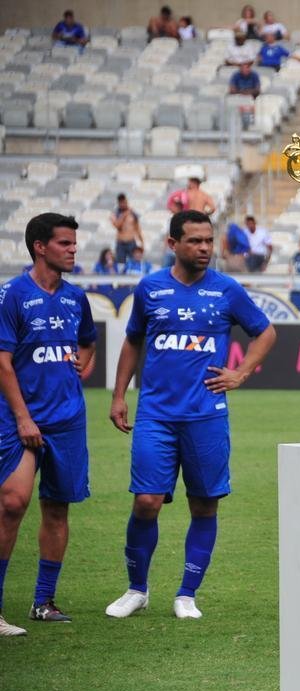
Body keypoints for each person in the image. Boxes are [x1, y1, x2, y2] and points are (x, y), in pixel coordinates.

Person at [105, 211, 275, 622]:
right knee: (146, 501)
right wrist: (118, 396)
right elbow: (133, 341)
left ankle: (186, 594)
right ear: (172, 244)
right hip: (156, 415)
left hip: (206, 416)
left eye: (208, 241)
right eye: (195, 241)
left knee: (204, 505)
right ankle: (137, 589)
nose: (204, 248)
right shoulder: (150, 289)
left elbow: (265, 332)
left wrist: (241, 372)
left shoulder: (227, 290)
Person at [0, 214, 97, 634]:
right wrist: (23, 417)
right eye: (64, 243)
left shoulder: (77, 298)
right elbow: (2, 363)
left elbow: (89, 342)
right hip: (22, 419)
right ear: (40, 247)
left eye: (74, 243)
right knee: (12, 502)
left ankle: (44, 602)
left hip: (68, 420)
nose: (73, 249)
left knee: (57, 508)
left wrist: (84, 364)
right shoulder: (12, 295)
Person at [111, 194, 144, 269]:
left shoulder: (133, 214)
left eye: (124, 202)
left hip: (131, 242)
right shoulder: (115, 214)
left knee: (134, 261)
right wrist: (124, 214)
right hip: (120, 243)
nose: (123, 204)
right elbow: (117, 225)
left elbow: (137, 228)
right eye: (121, 203)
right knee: (120, 263)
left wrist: (142, 242)